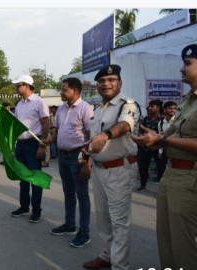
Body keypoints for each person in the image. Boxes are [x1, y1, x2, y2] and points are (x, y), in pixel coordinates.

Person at [131, 44, 197, 270]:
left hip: (191, 177)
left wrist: (163, 141)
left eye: (188, 63)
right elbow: (169, 134)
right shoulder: (187, 101)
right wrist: (153, 138)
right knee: (166, 237)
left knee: (185, 244)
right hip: (172, 173)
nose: (181, 68)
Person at [83, 65, 140, 270]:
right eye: (102, 81)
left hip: (119, 170)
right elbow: (92, 141)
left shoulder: (128, 105)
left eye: (112, 80)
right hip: (99, 169)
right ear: (97, 85)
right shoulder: (98, 110)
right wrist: (87, 161)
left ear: (120, 83)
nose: (106, 84)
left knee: (119, 222)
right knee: (103, 218)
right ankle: (106, 256)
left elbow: (125, 125)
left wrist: (106, 134)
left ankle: (119, 265)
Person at [49, 77, 93, 248]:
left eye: (64, 89)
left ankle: (84, 233)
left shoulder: (85, 109)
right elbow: (58, 132)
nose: (61, 92)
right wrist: (50, 141)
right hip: (63, 156)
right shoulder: (61, 109)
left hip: (78, 157)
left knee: (82, 196)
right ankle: (69, 225)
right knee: (68, 192)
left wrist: (87, 163)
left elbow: (90, 137)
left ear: (76, 91)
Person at [10, 75, 49, 223]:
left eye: (18, 85)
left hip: (34, 144)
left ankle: (36, 210)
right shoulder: (19, 104)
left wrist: (42, 145)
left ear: (26, 85)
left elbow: (45, 123)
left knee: (35, 178)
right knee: (23, 178)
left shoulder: (39, 102)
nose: (16, 88)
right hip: (21, 144)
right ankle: (24, 206)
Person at [135, 99, 164, 192]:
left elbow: (162, 134)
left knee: (161, 168)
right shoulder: (145, 119)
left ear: (158, 108)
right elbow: (140, 132)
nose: (150, 108)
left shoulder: (163, 120)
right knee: (143, 167)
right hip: (144, 148)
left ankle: (162, 190)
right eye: (149, 106)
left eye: (152, 106)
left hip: (158, 148)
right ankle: (143, 186)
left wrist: (144, 128)